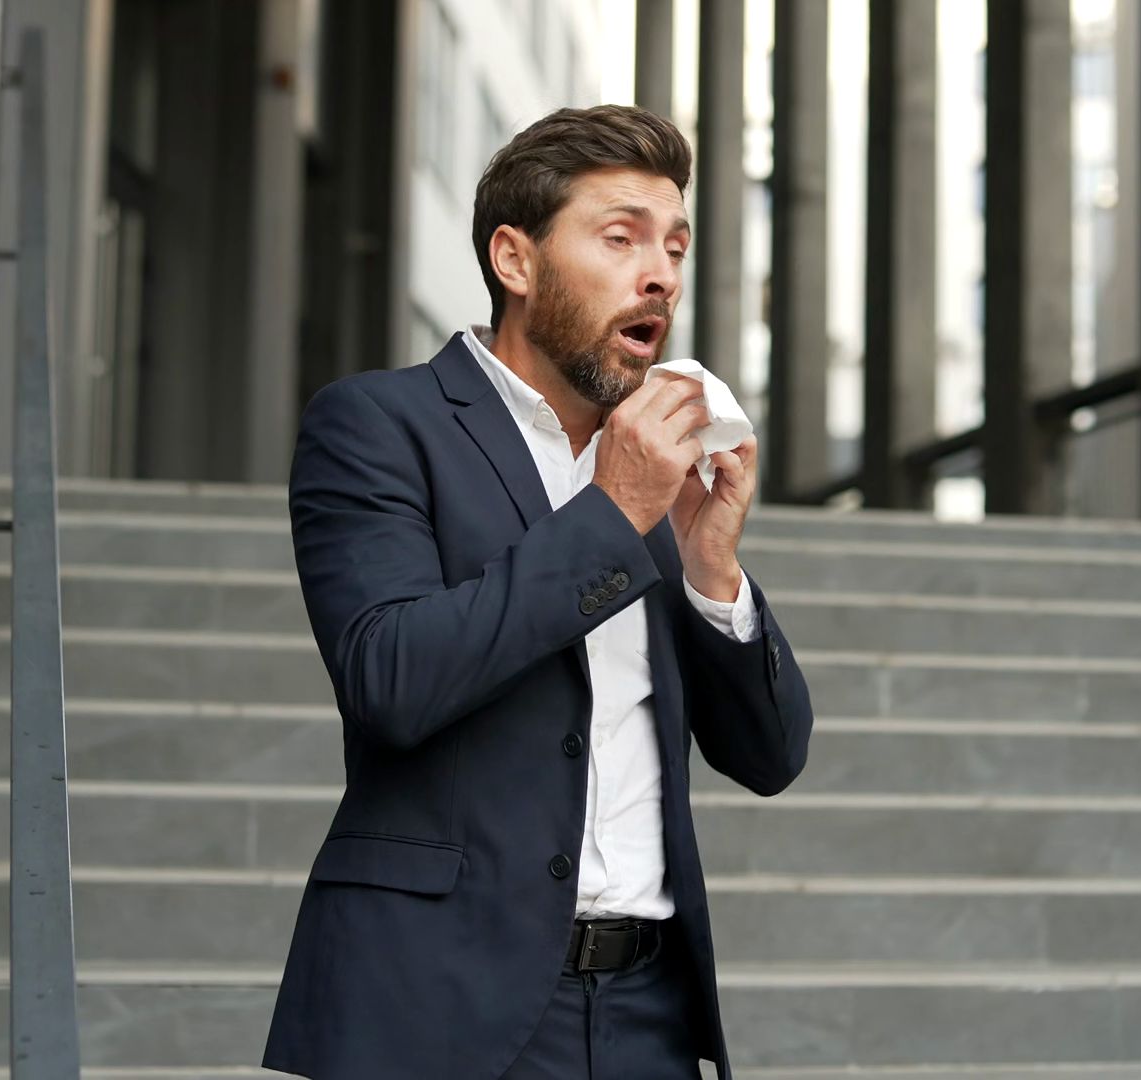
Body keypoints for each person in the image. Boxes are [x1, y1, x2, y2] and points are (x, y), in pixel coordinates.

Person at [262, 105, 815, 1080]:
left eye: (675, 246)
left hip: (649, 1016)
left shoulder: (656, 471)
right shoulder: (380, 424)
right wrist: (614, 512)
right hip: (439, 1010)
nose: (662, 274)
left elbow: (770, 757)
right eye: (621, 237)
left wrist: (710, 568)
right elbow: (391, 679)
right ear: (515, 260)